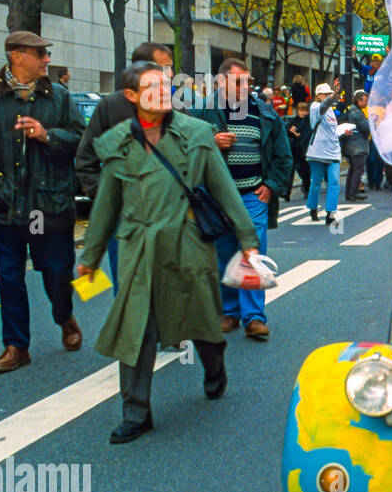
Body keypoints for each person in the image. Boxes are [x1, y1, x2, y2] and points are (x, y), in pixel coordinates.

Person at [75, 62, 261, 444]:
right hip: (137, 251)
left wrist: (248, 241)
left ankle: (214, 367)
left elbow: (224, 190)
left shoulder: (196, 134)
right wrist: (90, 258)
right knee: (136, 330)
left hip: (187, 246)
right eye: (152, 87)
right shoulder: (118, 144)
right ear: (130, 97)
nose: (163, 92)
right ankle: (136, 412)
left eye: (165, 85)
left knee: (204, 322)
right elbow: (107, 205)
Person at [0, 30, 84, 373]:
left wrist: (48, 136)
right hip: (3, 205)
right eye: (40, 53)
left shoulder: (59, 96)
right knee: (9, 276)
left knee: (55, 271)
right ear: (16, 56)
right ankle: (16, 346)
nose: (47, 59)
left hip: (43, 207)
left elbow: (79, 138)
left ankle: (65, 316)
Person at [189, 57, 292, 341]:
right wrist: (210, 142)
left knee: (252, 252)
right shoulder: (202, 112)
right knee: (223, 253)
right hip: (216, 198)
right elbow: (183, 150)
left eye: (247, 81)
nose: (245, 87)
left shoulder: (264, 112)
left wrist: (270, 186)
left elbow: (283, 154)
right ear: (221, 82)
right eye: (238, 82)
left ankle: (254, 318)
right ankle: (229, 311)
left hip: (252, 196)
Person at [75, 41, 174, 291]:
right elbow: (86, 157)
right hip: (125, 213)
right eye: (164, 68)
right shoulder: (111, 106)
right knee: (128, 281)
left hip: (167, 211)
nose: (170, 75)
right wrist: (105, 196)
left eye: (170, 69)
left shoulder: (174, 104)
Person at [306, 83, 341, 225]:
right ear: (318, 95)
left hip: (333, 151)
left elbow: (332, 130)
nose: (327, 96)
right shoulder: (315, 107)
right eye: (324, 94)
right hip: (318, 152)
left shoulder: (331, 110)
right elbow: (323, 106)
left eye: (329, 94)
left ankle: (330, 213)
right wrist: (333, 95)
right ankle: (313, 208)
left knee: (334, 182)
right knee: (316, 183)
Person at [342, 90, 371, 200]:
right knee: (358, 169)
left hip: (351, 144)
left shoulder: (351, 110)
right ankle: (353, 193)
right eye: (365, 101)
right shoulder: (357, 113)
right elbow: (366, 126)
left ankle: (349, 193)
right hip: (357, 145)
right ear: (359, 101)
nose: (367, 103)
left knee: (352, 169)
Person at [286, 100, 312, 198]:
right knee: (290, 171)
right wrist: (290, 131)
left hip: (304, 149)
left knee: (305, 171)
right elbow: (288, 132)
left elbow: (307, 133)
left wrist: (297, 134)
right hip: (294, 149)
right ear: (297, 111)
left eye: (305, 111)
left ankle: (307, 190)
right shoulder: (293, 120)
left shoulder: (308, 121)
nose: (303, 113)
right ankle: (287, 193)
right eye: (301, 111)